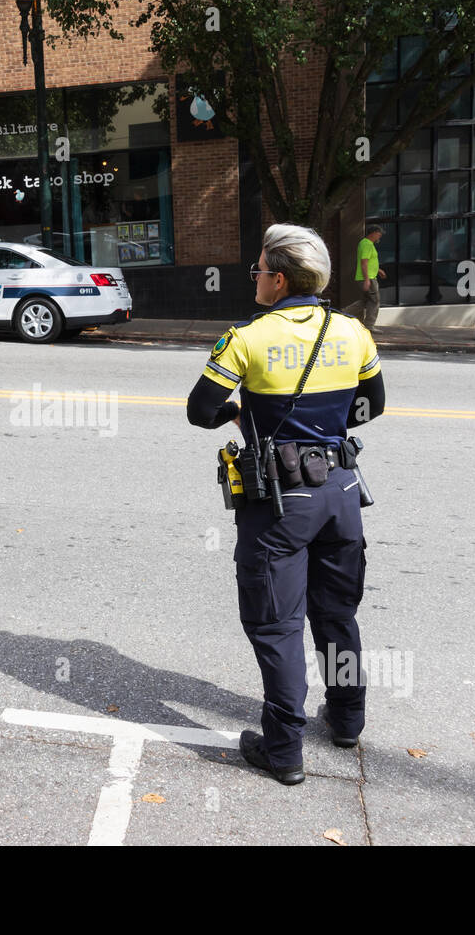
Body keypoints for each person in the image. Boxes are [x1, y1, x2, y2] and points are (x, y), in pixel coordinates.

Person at [186, 223, 386, 785]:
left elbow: (200, 410)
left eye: (258, 270)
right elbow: (373, 404)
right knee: (337, 614)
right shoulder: (352, 331)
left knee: (277, 625)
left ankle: (284, 749)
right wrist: (324, 434)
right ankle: (347, 720)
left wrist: (243, 418)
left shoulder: (245, 338)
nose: (254, 277)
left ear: (278, 279)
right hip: (342, 493)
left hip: (279, 501)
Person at [352, 224, 387, 329]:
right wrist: (367, 280)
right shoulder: (367, 244)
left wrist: (378, 270)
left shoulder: (365, 243)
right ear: (374, 233)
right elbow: (364, 263)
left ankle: (342, 312)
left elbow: (369, 262)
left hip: (368, 277)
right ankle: (369, 325)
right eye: (379, 234)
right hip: (368, 278)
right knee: (375, 301)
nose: (379, 237)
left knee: (365, 301)